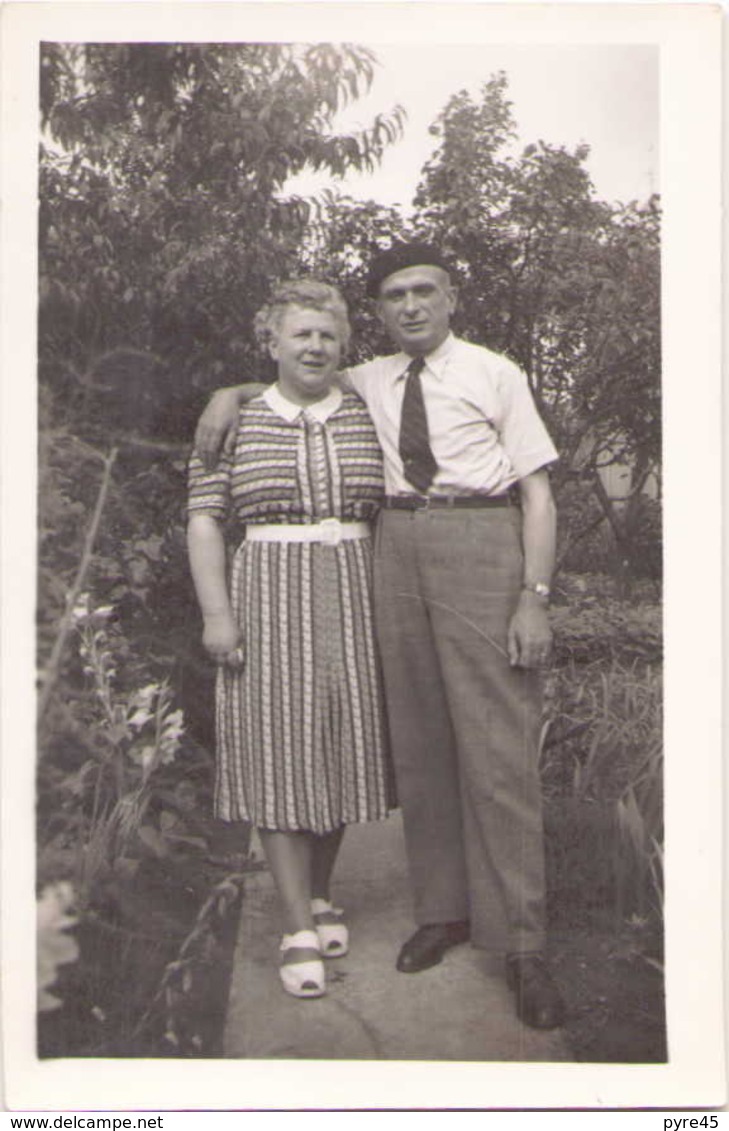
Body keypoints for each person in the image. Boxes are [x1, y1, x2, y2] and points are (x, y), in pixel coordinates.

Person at [195, 244, 565, 1030]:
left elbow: (537, 491)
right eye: (394, 295)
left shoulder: (495, 373)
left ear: (451, 295)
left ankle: (522, 945)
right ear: (381, 310)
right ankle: (444, 911)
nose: (410, 306)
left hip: (479, 539)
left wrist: (533, 595)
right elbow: (292, 374)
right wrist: (227, 393)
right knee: (421, 744)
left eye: (424, 290)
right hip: (392, 545)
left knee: (497, 750)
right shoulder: (368, 378)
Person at [187, 280, 391, 1000]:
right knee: (280, 749)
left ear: (343, 346)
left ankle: (323, 890)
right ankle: (296, 922)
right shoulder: (235, 422)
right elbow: (207, 519)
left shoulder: (367, 413)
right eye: (299, 334)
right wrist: (217, 614)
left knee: (342, 747)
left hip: (358, 591)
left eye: (326, 335)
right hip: (268, 594)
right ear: (270, 343)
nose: (314, 346)